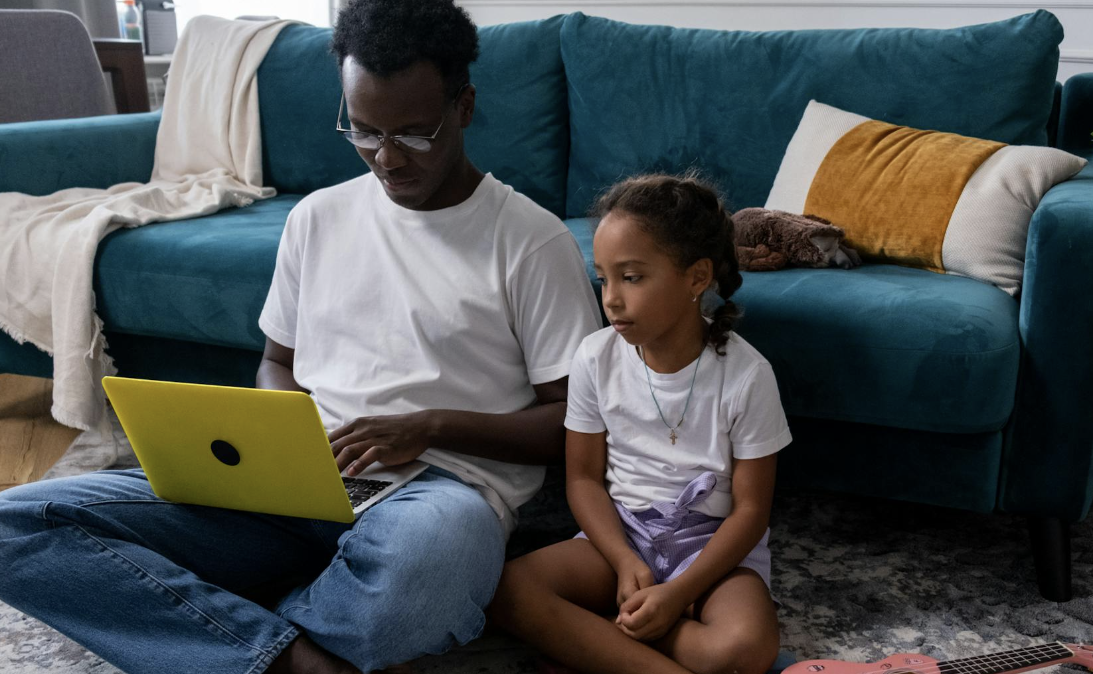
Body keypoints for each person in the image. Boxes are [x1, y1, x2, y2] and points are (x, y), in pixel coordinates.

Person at [0, 1, 601, 672]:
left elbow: (574, 424)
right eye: (365, 131)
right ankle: (295, 655)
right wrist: (284, 429)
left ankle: (236, 635)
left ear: (463, 107)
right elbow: (276, 360)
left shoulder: (530, 241)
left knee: (431, 568)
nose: (387, 157)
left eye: (413, 133)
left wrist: (428, 427)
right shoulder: (317, 219)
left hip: (437, 492)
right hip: (294, 481)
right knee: (17, 523)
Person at [488, 174, 792, 674]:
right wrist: (627, 562)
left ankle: (600, 636)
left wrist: (678, 594)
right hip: (621, 537)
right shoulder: (594, 357)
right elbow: (584, 480)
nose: (610, 299)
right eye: (604, 277)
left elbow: (751, 511)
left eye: (631, 278)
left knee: (745, 650)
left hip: (712, 548)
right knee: (506, 590)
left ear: (696, 278)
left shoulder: (748, 376)